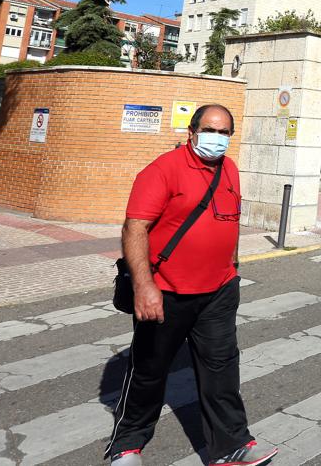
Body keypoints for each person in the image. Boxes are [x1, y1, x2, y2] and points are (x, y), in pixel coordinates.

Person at [106, 104, 277, 466]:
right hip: (166, 291)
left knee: (222, 370)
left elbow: (228, 220)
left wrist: (233, 268)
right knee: (149, 371)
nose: (218, 138)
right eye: (211, 130)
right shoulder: (162, 171)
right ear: (192, 132)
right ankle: (127, 445)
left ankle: (231, 445)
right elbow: (134, 228)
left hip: (218, 291)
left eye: (225, 132)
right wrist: (144, 285)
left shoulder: (229, 169)